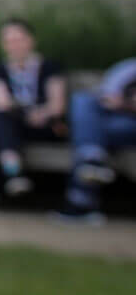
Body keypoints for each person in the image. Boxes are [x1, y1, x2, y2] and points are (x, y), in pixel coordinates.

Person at [0, 19, 66, 203]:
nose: (14, 45)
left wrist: (41, 114)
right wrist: (24, 112)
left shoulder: (50, 67)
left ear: (31, 40)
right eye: (9, 41)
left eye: (18, 39)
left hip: (46, 125)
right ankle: (11, 174)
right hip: (14, 124)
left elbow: (57, 105)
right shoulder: (0, 69)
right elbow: (0, 102)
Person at [54, 57, 136, 225]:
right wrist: (117, 101)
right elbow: (106, 93)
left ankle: (79, 205)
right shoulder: (129, 68)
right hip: (113, 118)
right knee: (82, 100)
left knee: (88, 131)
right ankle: (92, 159)